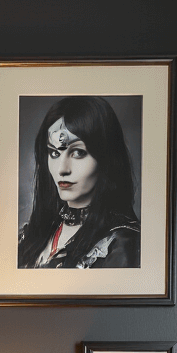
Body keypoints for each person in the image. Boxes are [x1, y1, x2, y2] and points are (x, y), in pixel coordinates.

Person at [18, 96, 140, 270]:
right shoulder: (31, 235)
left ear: (106, 159)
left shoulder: (122, 244)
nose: (62, 169)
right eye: (54, 153)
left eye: (78, 152)